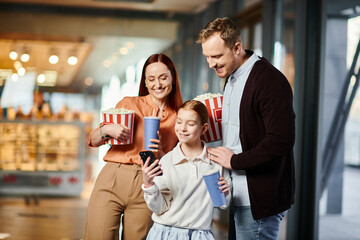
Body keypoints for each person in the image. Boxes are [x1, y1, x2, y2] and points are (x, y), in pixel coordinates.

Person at [197, 17, 296, 240]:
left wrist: (234, 161)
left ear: (237, 47)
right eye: (207, 57)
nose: (211, 64)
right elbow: (240, 132)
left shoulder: (269, 80)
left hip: (259, 200)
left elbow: (281, 140)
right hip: (237, 195)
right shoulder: (232, 78)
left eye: (216, 56)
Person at [84, 53, 183, 240]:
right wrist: (108, 129)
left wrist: (162, 153)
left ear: (173, 79)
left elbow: (178, 162)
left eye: (163, 78)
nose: (158, 84)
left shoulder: (179, 117)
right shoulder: (129, 104)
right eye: (151, 79)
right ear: (145, 82)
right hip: (114, 177)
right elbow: (94, 140)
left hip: (149, 185)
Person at [141, 99, 232, 240]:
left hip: (201, 235)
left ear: (204, 128)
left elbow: (222, 205)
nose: (182, 128)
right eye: (179, 122)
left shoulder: (216, 162)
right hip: (164, 233)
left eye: (190, 124)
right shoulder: (166, 161)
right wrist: (149, 185)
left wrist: (225, 193)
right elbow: (159, 208)